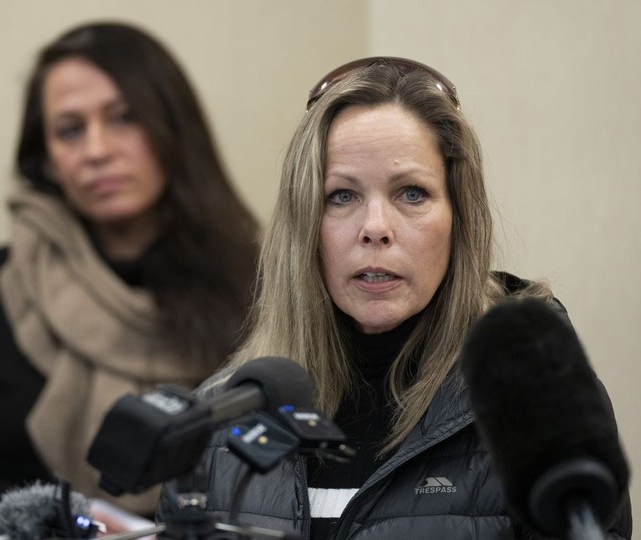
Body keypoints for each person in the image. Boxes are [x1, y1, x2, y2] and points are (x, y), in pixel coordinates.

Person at [157, 58, 632, 538]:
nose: (376, 228)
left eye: (411, 193)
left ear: (459, 218)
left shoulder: (536, 403)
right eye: (341, 196)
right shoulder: (220, 421)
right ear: (305, 225)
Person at [0, 22, 259, 540]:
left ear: (173, 130)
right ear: (48, 158)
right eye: (70, 129)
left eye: (124, 118)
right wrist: (49, 527)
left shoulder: (257, 285)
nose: (96, 150)